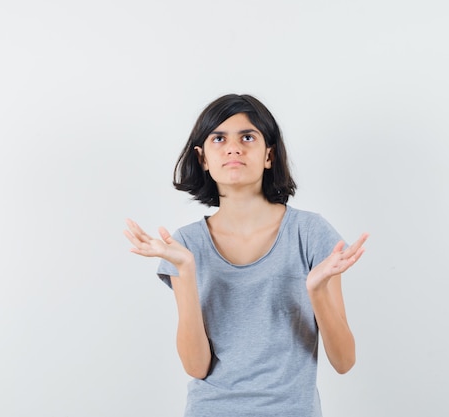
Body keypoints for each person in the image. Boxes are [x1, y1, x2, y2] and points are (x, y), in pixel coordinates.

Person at [123, 93, 368, 417]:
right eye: (219, 138)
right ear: (203, 158)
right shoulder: (184, 244)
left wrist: (316, 289)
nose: (233, 148)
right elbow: (196, 367)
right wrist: (185, 269)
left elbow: (344, 361)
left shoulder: (310, 233)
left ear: (269, 155)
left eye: (247, 137)